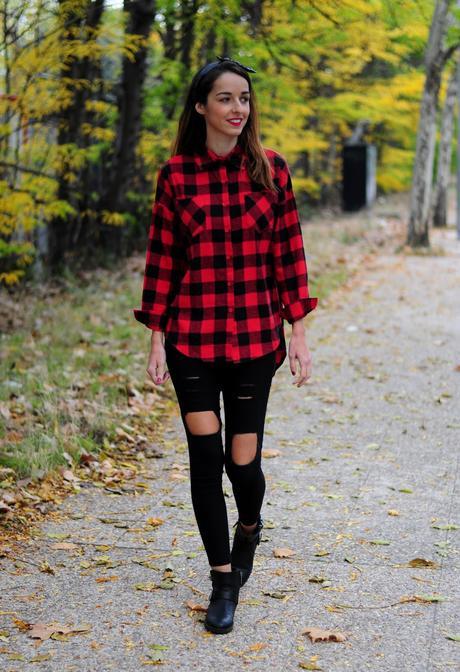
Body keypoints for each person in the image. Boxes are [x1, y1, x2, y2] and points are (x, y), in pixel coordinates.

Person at [133, 56, 318, 635]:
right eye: (225, 98)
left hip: (257, 341)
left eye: (244, 99)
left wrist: (299, 330)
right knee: (204, 459)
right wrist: (157, 338)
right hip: (193, 337)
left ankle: (251, 526)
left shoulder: (272, 171)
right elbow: (164, 259)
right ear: (200, 106)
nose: (238, 108)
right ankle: (222, 579)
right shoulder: (176, 176)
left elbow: (289, 253)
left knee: (244, 462)